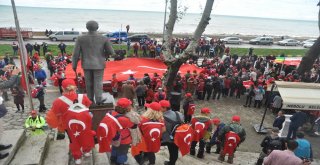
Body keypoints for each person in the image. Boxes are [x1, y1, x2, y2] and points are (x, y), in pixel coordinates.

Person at [46, 79, 93, 165]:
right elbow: (89, 106)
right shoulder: (83, 97)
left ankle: (77, 157)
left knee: (73, 140)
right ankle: (86, 151)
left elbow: (55, 114)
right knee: (86, 137)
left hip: (69, 126)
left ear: (62, 88)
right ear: (75, 87)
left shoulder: (58, 101)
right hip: (84, 124)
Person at [72, 20, 115, 104]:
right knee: (98, 82)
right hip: (99, 64)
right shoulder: (103, 38)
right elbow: (111, 52)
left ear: (87, 27)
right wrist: (107, 55)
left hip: (86, 64)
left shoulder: (80, 38)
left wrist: (74, 65)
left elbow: (76, 53)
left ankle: (90, 99)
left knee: (88, 82)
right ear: (97, 27)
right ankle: (99, 99)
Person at [110, 98, 137, 165]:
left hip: (114, 137)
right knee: (122, 152)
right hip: (123, 139)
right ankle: (120, 162)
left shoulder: (111, 113)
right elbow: (134, 126)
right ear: (126, 108)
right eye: (130, 105)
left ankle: (113, 159)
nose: (131, 106)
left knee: (114, 148)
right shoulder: (124, 119)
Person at [160, 100, 184, 165]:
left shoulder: (162, 118)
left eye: (160, 107)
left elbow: (164, 130)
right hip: (179, 136)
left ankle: (171, 163)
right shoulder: (178, 113)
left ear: (164, 108)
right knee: (175, 151)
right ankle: (172, 163)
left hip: (169, 138)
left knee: (171, 150)